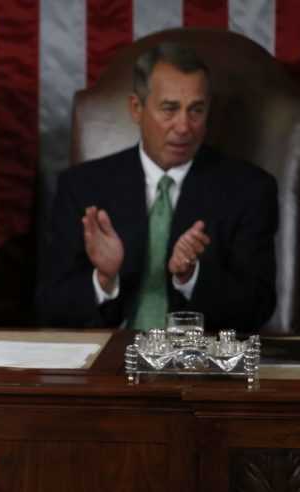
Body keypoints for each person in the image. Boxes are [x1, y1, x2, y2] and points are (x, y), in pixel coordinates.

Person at [36, 42, 277, 333]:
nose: (184, 126)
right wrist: (103, 278)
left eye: (196, 110)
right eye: (169, 109)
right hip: (107, 363)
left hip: (196, 365)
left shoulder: (248, 189)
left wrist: (191, 277)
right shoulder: (83, 187)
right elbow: (50, 305)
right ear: (136, 108)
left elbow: (258, 307)